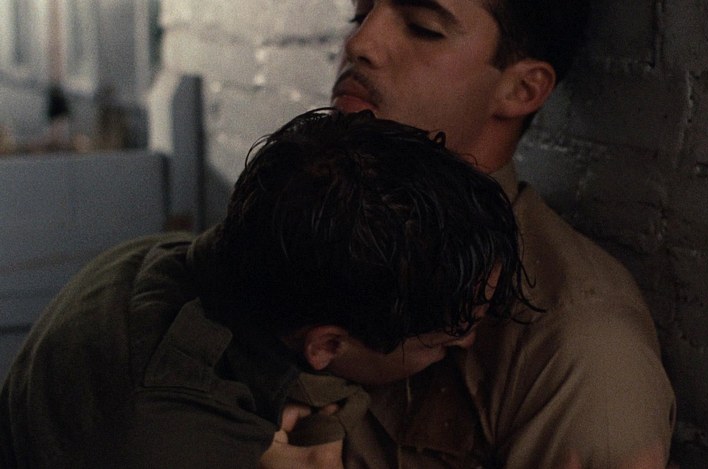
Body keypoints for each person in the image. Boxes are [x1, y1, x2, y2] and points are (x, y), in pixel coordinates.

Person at [0, 109, 533, 469]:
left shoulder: (177, 263)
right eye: (441, 343)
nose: (466, 343)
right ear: (325, 344)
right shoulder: (169, 436)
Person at [330, 0, 677, 468]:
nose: (359, 43)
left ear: (521, 89)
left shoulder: (578, 346)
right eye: (360, 14)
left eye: (423, 28)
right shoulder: (286, 223)